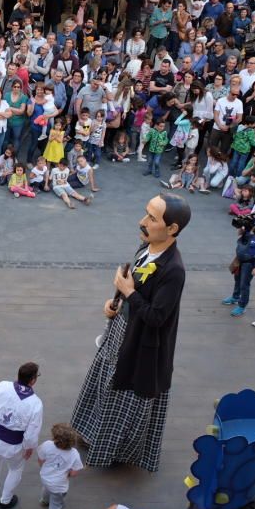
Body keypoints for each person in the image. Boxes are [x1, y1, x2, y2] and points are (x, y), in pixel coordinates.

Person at [71, 195, 190, 472]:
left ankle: (116, 450)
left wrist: (129, 293)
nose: (143, 222)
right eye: (145, 214)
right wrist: (114, 303)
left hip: (141, 346)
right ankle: (92, 432)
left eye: (152, 218)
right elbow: (130, 284)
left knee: (124, 398)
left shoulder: (174, 271)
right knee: (103, 383)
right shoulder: (145, 247)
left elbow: (157, 317)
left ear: (172, 229)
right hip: (120, 331)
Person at [0, 362, 44, 509]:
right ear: (33, 380)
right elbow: (32, 432)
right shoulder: (35, 403)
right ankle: (5, 501)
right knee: (15, 469)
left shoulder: (2, 386)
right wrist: (29, 447)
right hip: (14, 444)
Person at [223, 210, 255, 318]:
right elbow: (239, 234)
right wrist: (242, 226)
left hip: (251, 262)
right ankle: (235, 297)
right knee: (237, 279)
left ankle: (242, 305)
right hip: (240, 259)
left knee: (244, 284)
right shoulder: (253, 225)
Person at [37, 423, 83, 509]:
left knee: (47, 488)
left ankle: (44, 500)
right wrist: (67, 473)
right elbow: (74, 473)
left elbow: (41, 460)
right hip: (59, 485)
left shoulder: (47, 445)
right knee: (56, 505)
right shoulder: (74, 454)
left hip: (45, 477)